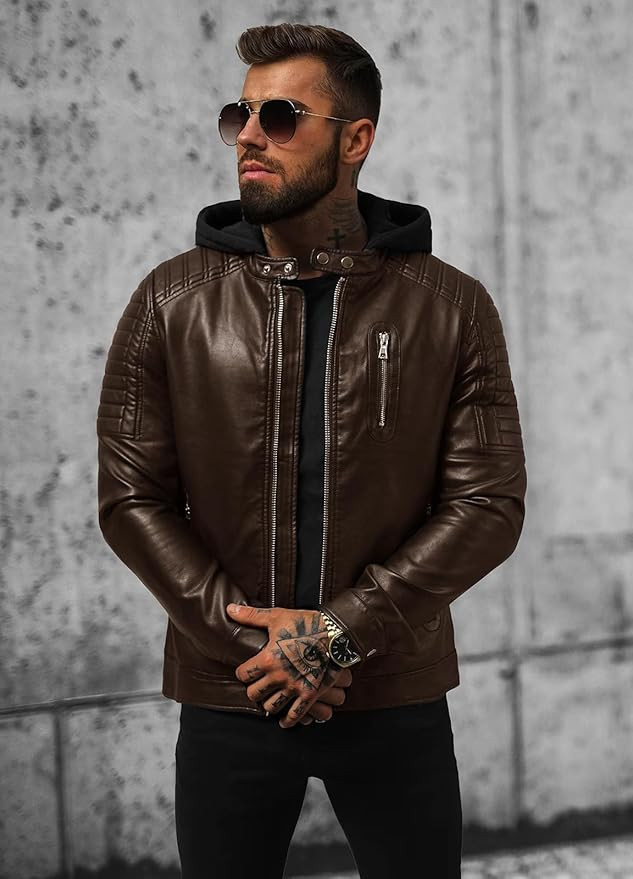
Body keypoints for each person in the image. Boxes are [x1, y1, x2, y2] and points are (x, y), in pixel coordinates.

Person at [96, 21, 527, 879]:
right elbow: (130, 499)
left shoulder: (449, 306)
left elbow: (487, 505)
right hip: (231, 691)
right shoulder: (170, 301)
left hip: (391, 691)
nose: (248, 136)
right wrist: (260, 650)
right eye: (241, 115)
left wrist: (335, 637)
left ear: (355, 140)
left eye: (281, 116)